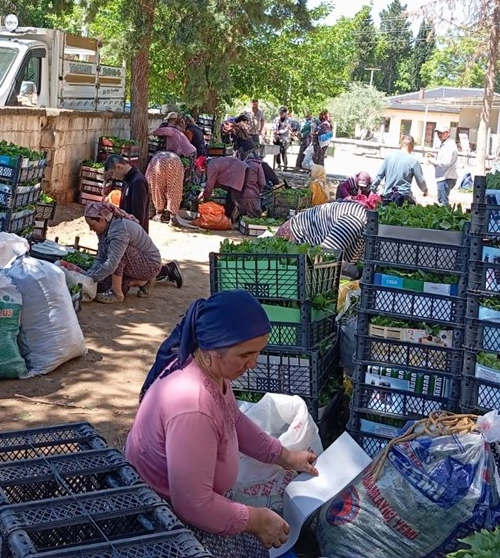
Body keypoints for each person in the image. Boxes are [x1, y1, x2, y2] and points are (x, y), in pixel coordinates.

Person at [125, 290, 318, 557]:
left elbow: (234, 419)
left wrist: (285, 456)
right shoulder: (192, 406)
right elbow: (194, 505)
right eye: (245, 355)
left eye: (258, 352)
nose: (253, 364)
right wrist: (255, 520)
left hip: (198, 508)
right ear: (214, 349)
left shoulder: (207, 367)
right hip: (169, 525)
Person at [80, 202, 179, 303]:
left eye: (92, 225)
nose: (91, 229)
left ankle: (117, 293)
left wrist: (91, 279)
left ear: (102, 220)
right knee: (104, 284)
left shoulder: (120, 230)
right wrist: (89, 274)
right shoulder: (102, 230)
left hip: (150, 265)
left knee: (119, 254)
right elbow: (100, 257)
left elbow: (112, 263)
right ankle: (142, 282)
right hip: (136, 263)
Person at [276, 200, 371, 279]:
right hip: (293, 239)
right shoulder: (354, 222)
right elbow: (325, 256)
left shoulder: (368, 227)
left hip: (311, 249)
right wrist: (356, 272)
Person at [149, 118, 196, 224]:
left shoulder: (170, 130)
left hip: (163, 161)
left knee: (157, 187)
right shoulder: (179, 132)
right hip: (177, 160)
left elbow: (152, 183)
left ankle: (159, 213)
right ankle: (172, 215)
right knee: (175, 187)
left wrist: (149, 132)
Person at [200, 155, 266, 223]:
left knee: (236, 199)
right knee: (233, 197)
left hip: (238, 177)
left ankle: (231, 217)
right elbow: (262, 183)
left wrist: (206, 198)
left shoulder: (212, 165)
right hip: (241, 177)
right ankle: (231, 217)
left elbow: (210, 183)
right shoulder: (216, 161)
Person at [372, 134, 428, 206]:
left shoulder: (389, 157)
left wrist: (373, 189)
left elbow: (379, 176)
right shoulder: (413, 161)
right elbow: (420, 180)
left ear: (400, 145)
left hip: (387, 197)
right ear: (412, 147)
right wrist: (425, 190)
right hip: (403, 199)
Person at [105, 153, 151, 232]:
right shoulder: (126, 181)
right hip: (126, 230)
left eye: (112, 173)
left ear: (119, 167)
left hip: (135, 234)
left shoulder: (138, 181)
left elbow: (138, 216)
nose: (113, 177)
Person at [429, 123, 459, 205]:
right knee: (442, 200)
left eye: (441, 133)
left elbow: (446, 162)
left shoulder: (449, 145)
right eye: (438, 133)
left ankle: (445, 217)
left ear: (447, 133)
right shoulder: (446, 144)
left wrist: (432, 161)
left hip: (445, 177)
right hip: (444, 177)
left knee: (443, 202)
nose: (439, 135)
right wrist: (435, 156)